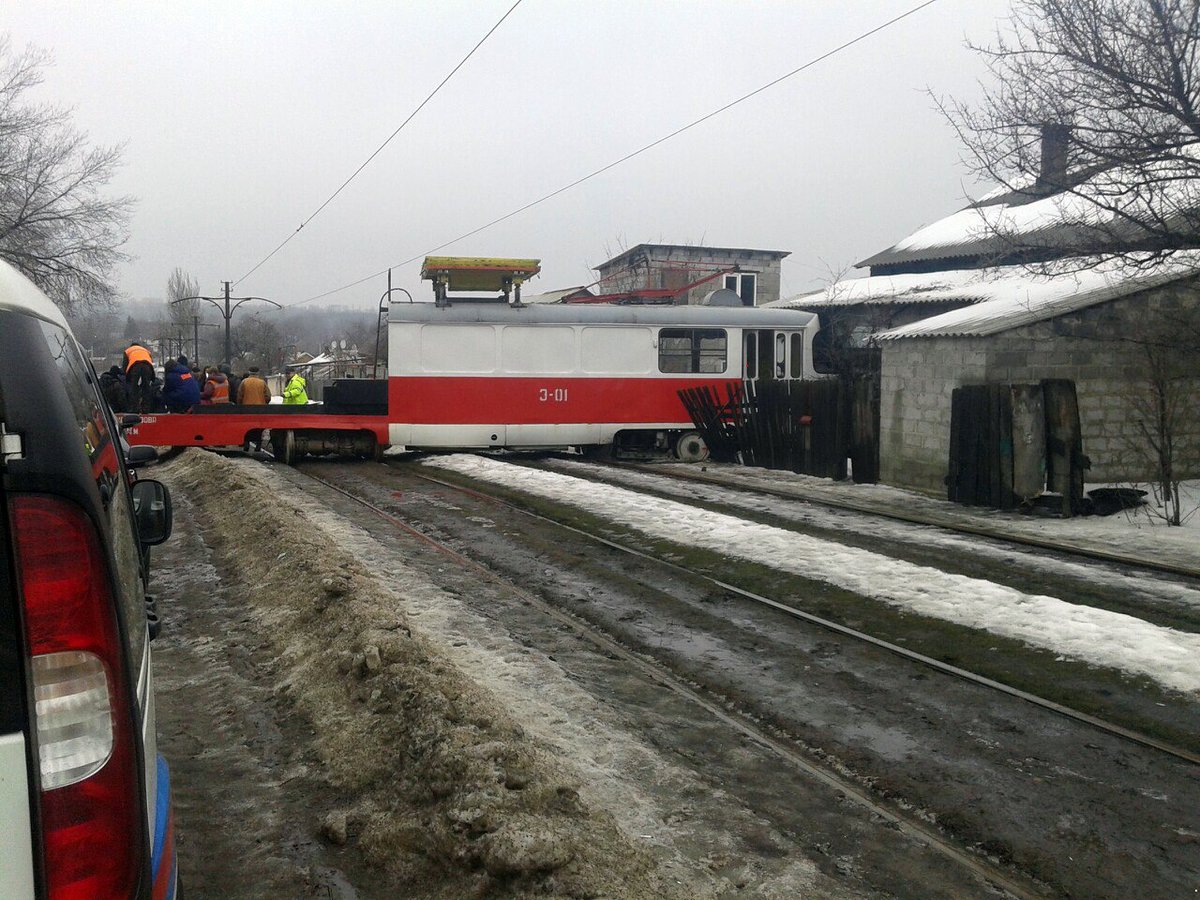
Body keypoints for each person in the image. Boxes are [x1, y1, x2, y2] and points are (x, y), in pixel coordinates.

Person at [123, 341, 156, 413]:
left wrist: (126, 378)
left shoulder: (128, 351)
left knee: (134, 388)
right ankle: (146, 409)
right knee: (146, 388)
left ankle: (134, 409)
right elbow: (150, 361)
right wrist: (152, 377)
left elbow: (124, 366)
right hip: (147, 367)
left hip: (135, 367)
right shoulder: (146, 350)